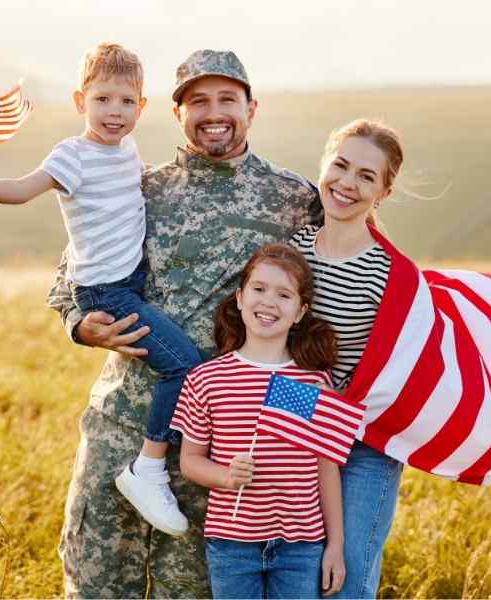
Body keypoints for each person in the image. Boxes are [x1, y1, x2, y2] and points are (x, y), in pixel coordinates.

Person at [46, 49, 321, 598]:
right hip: (121, 427)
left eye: (227, 100)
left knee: (189, 591)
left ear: (251, 109)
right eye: (198, 101)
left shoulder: (293, 199)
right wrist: (82, 325)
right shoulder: (137, 187)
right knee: (95, 585)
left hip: (217, 446)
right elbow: (67, 277)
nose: (213, 112)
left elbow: (322, 300)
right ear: (177, 114)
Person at [0, 42, 201, 537]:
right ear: (80, 100)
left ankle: (152, 465)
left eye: (127, 102)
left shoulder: (126, 151)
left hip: (130, 280)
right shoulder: (73, 155)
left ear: (142, 108)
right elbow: (24, 188)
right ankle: (147, 468)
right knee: (184, 364)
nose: (114, 112)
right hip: (105, 291)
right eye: (103, 99)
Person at [171, 243, 345, 599]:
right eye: (259, 289)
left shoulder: (311, 382)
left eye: (284, 295)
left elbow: (326, 467)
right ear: (239, 297)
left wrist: (336, 545)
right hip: (232, 544)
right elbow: (189, 461)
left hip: (301, 544)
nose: (269, 302)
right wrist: (225, 476)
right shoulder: (208, 379)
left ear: (300, 312)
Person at [290, 119, 405, 599]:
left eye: (365, 176)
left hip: (363, 445)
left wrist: (336, 400)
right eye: (340, 166)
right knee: (294, 577)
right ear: (323, 165)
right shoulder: (292, 253)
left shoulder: (392, 274)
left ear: (383, 192)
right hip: (293, 432)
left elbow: (401, 371)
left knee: (347, 581)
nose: (346, 184)